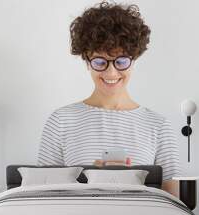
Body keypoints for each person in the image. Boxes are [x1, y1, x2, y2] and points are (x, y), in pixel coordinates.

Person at [37, 1, 181, 193]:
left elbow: (174, 202)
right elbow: (42, 195)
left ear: (134, 60)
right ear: (87, 61)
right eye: (100, 62)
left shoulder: (157, 126)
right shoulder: (61, 121)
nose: (111, 73)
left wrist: (131, 181)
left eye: (121, 61)